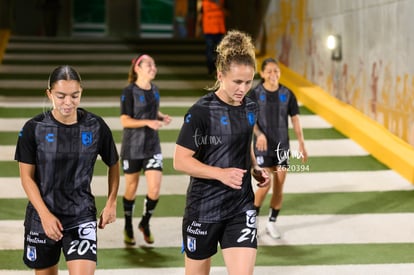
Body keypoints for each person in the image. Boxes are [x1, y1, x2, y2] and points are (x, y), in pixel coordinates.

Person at [173, 30, 270, 275]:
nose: (243, 88)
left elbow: (242, 142)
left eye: (248, 82)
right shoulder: (201, 111)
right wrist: (220, 174)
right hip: (203, 209)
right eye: (237, 82)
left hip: (240, 205)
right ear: (220, 75)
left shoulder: (250, 107)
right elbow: (180, 161)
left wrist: (255, 168)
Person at [14, 65, 120, 275]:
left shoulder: (96, 126)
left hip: (81, 214)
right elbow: (26, 178)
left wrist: (111, 202)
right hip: (42, 217)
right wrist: (44, 215)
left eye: (75, 95)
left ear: (81, 93)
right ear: (49, 94)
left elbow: (113, 164)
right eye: (61, 96)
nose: (68, 102)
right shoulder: (33, 128)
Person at [248, 57, 308, 239]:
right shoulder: (255, 94)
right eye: (269, 71)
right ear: (262, 73)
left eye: (276, 71)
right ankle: (252, 223)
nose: (273, 74)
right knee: (265, 184)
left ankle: (271, 223)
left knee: (279, 187)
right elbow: (249, 120)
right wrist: (259, 135)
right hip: (262, 147)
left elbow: (295, 120)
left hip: (282, 147)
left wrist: (302, 144)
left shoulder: (287, 94)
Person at [120, 54, 172, 246]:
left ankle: (144, 222)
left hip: (152, 146)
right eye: (149, 64)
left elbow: (151, 110)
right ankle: (127, 226)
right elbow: (125, 120)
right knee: (131, 188)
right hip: (132, 147)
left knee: (155, 189)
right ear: (137, 69)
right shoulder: (128, 91)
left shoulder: (155, 89)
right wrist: (148, 122)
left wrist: (161, 116)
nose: (153, 67)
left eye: (154, 64)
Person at [197, 0, 227, 75]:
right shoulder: (220, 2)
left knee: (210, 50)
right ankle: (215, 67)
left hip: (210, 29)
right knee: (219, 51)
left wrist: (198, 28)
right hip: (217, 29)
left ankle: (211, 67)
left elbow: (200, 16)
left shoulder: (205, 3)